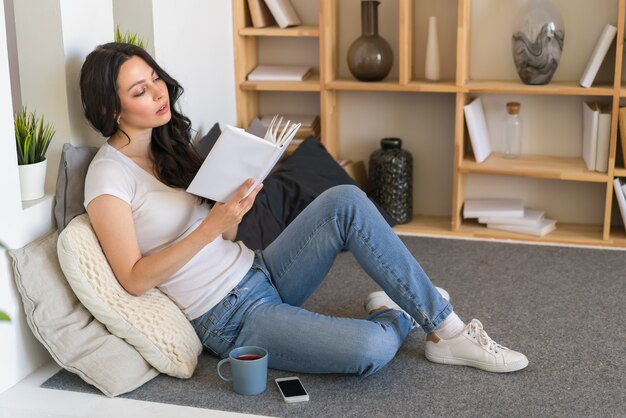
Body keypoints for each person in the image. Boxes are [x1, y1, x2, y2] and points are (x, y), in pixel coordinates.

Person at [79, 42, 528, 376]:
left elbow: (225, 235)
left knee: (345, 200)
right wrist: (210, 226)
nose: (158, 92)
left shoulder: (169, 147)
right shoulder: (108, 177)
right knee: (369, 350)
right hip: (231, 320)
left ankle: (447, 330)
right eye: (140, 90)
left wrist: (232, 214)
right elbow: (133, 279)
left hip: (260, 270)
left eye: (155, 78)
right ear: (110, 108)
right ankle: (400, 309)